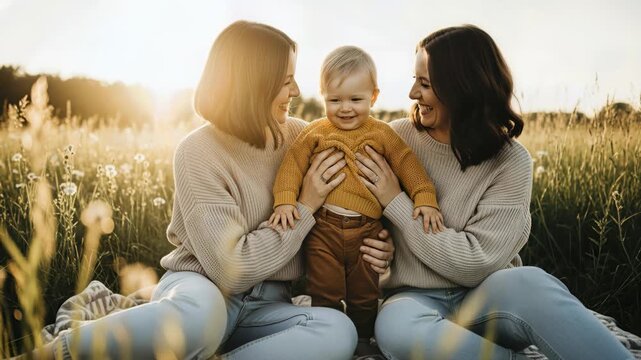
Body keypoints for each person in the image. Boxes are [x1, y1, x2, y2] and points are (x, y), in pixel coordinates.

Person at [29, 21, 394, 360]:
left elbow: (350, 208)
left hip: (271, 302)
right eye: (286, 81)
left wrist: (379, 244)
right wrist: (304, 206)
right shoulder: (197, 151)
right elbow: (230, 270)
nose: (296, 91)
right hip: (202, 288)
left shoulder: (303, 136)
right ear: (256, 84)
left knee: (338, 331)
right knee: (201, 319)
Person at [354, 25, 634, 359]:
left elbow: (475, 263)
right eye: (415, 80)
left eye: (425, 83)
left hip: (486, 297)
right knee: (397, 331)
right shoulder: (393, 139)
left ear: (462, 88)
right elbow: (353, 217)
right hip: (412, 298)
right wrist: (377, 242)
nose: (413, 93)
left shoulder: (511, 161)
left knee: (532, 283)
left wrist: (395, 203)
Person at [268, 45, 442, 355]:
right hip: (323, 230)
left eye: (356, 100)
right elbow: (292, 165)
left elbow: (407, 164)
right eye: (334, 100)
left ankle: (362, 342)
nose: (345, 108)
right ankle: (328, 339)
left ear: (373, 96)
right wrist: (284, 201)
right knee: (324, 289)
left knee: (365, 292)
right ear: (322, 96)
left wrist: (425, 198)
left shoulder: (383, 133)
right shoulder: (314, 132)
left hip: (367, 230)